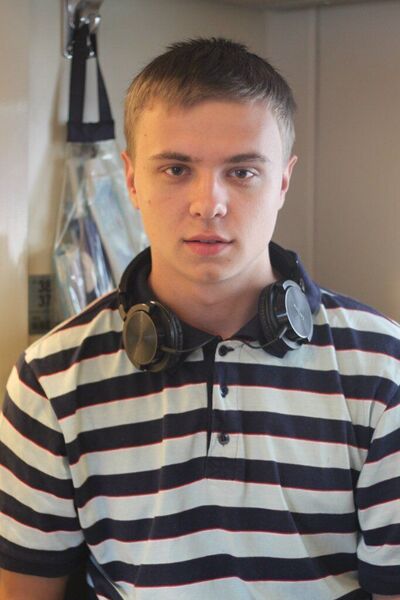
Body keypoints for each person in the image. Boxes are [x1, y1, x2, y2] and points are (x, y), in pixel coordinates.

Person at [0, 37, 399, 600]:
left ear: (283, 182)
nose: (208, 203)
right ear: (132, 180)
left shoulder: (383, 368)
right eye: (176, 168)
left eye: (242, 172)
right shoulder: (50, 379)